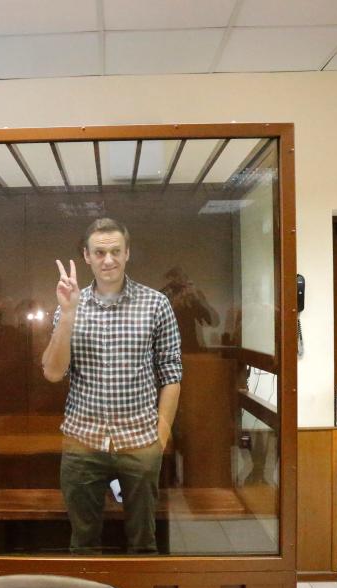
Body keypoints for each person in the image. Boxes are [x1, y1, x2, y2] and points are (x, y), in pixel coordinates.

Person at [42, 218, 182, 554]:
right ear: (87, 257)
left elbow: (172, 373)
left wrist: (160, 435)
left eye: (115, 251)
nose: (109, 259)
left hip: (139, 441)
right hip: (82, 442)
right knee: (83, 542)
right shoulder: (70, 307)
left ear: (127, 253)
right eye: (100, 252)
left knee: (144, 542)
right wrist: (69, 313)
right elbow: (53, 372)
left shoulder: (155, 304)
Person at [160, 266, 219, 352]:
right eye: (175, 278)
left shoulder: (191, 298)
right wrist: (174, 305)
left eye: (182, 278)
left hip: (191, 348)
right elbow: (158, 322)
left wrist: (196, 298)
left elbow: (210, 321)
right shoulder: (163, 296)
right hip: (169, 349)